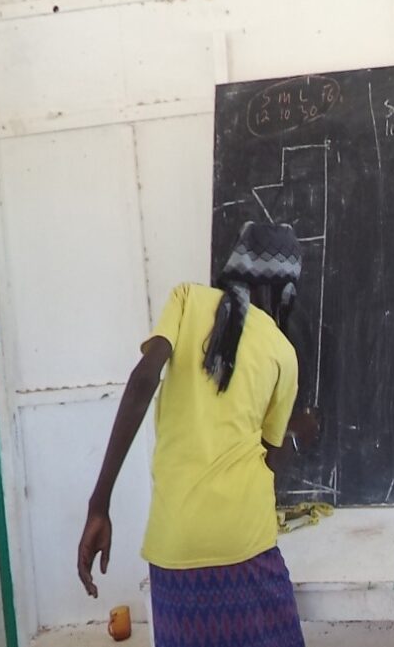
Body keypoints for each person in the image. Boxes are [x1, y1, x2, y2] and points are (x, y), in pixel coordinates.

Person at [77, 221, 315, 647]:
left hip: (176, 548)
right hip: (246, 544)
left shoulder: (187, 300)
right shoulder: (283, 352)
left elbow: (143, 379)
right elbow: (271, 455)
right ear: (285, 291)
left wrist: (99, 504)